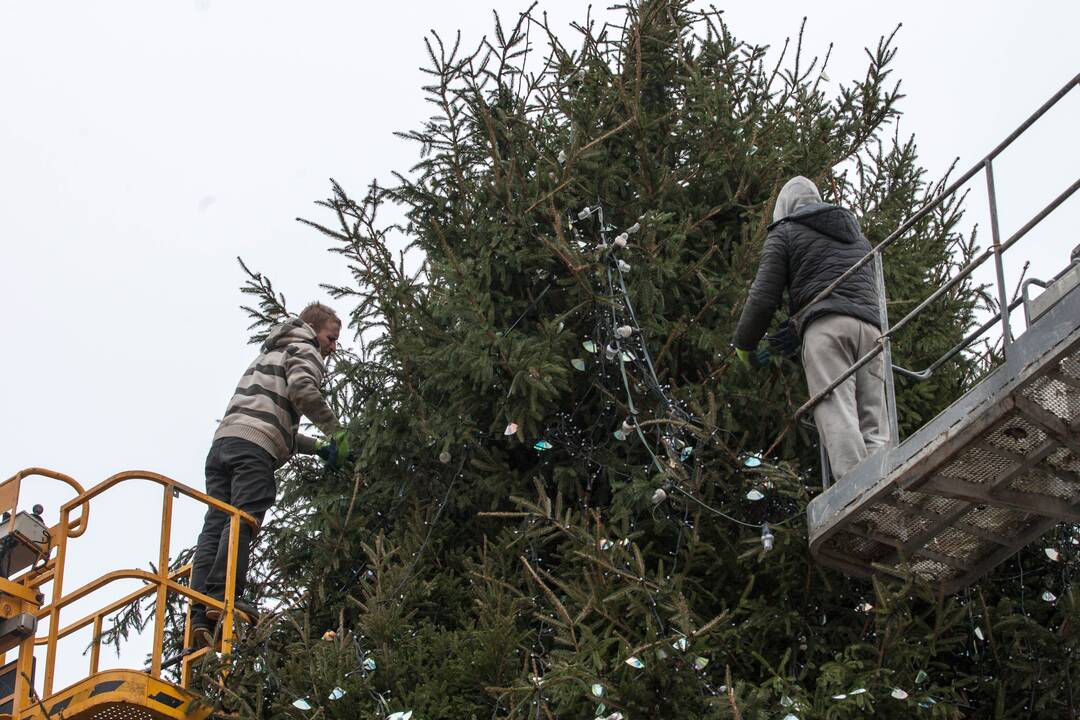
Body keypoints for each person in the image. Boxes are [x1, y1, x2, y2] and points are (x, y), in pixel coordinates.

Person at [189, 302, 349, 647]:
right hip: (252, 452)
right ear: (313, 328)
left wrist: (317, 447)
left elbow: (274, 418)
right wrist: (336, 431)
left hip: (223, 446)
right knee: (244, 517)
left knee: (216, 524)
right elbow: (303, 392)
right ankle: (223, 596)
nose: (333, 346)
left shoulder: (268, 355)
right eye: (331, 337)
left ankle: (199, 616)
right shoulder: (304, 347)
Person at [733, 176, 887, 480]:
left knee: (836, 408)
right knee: (874, 419)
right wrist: (791, 332)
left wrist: (745, 344)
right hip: (872, 331)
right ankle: (883, 481)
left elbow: (764, 297)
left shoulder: (785, 231)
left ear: (785, 207)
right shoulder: (859, 239)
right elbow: (845, 290)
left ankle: (857, 489)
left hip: (827, 331)